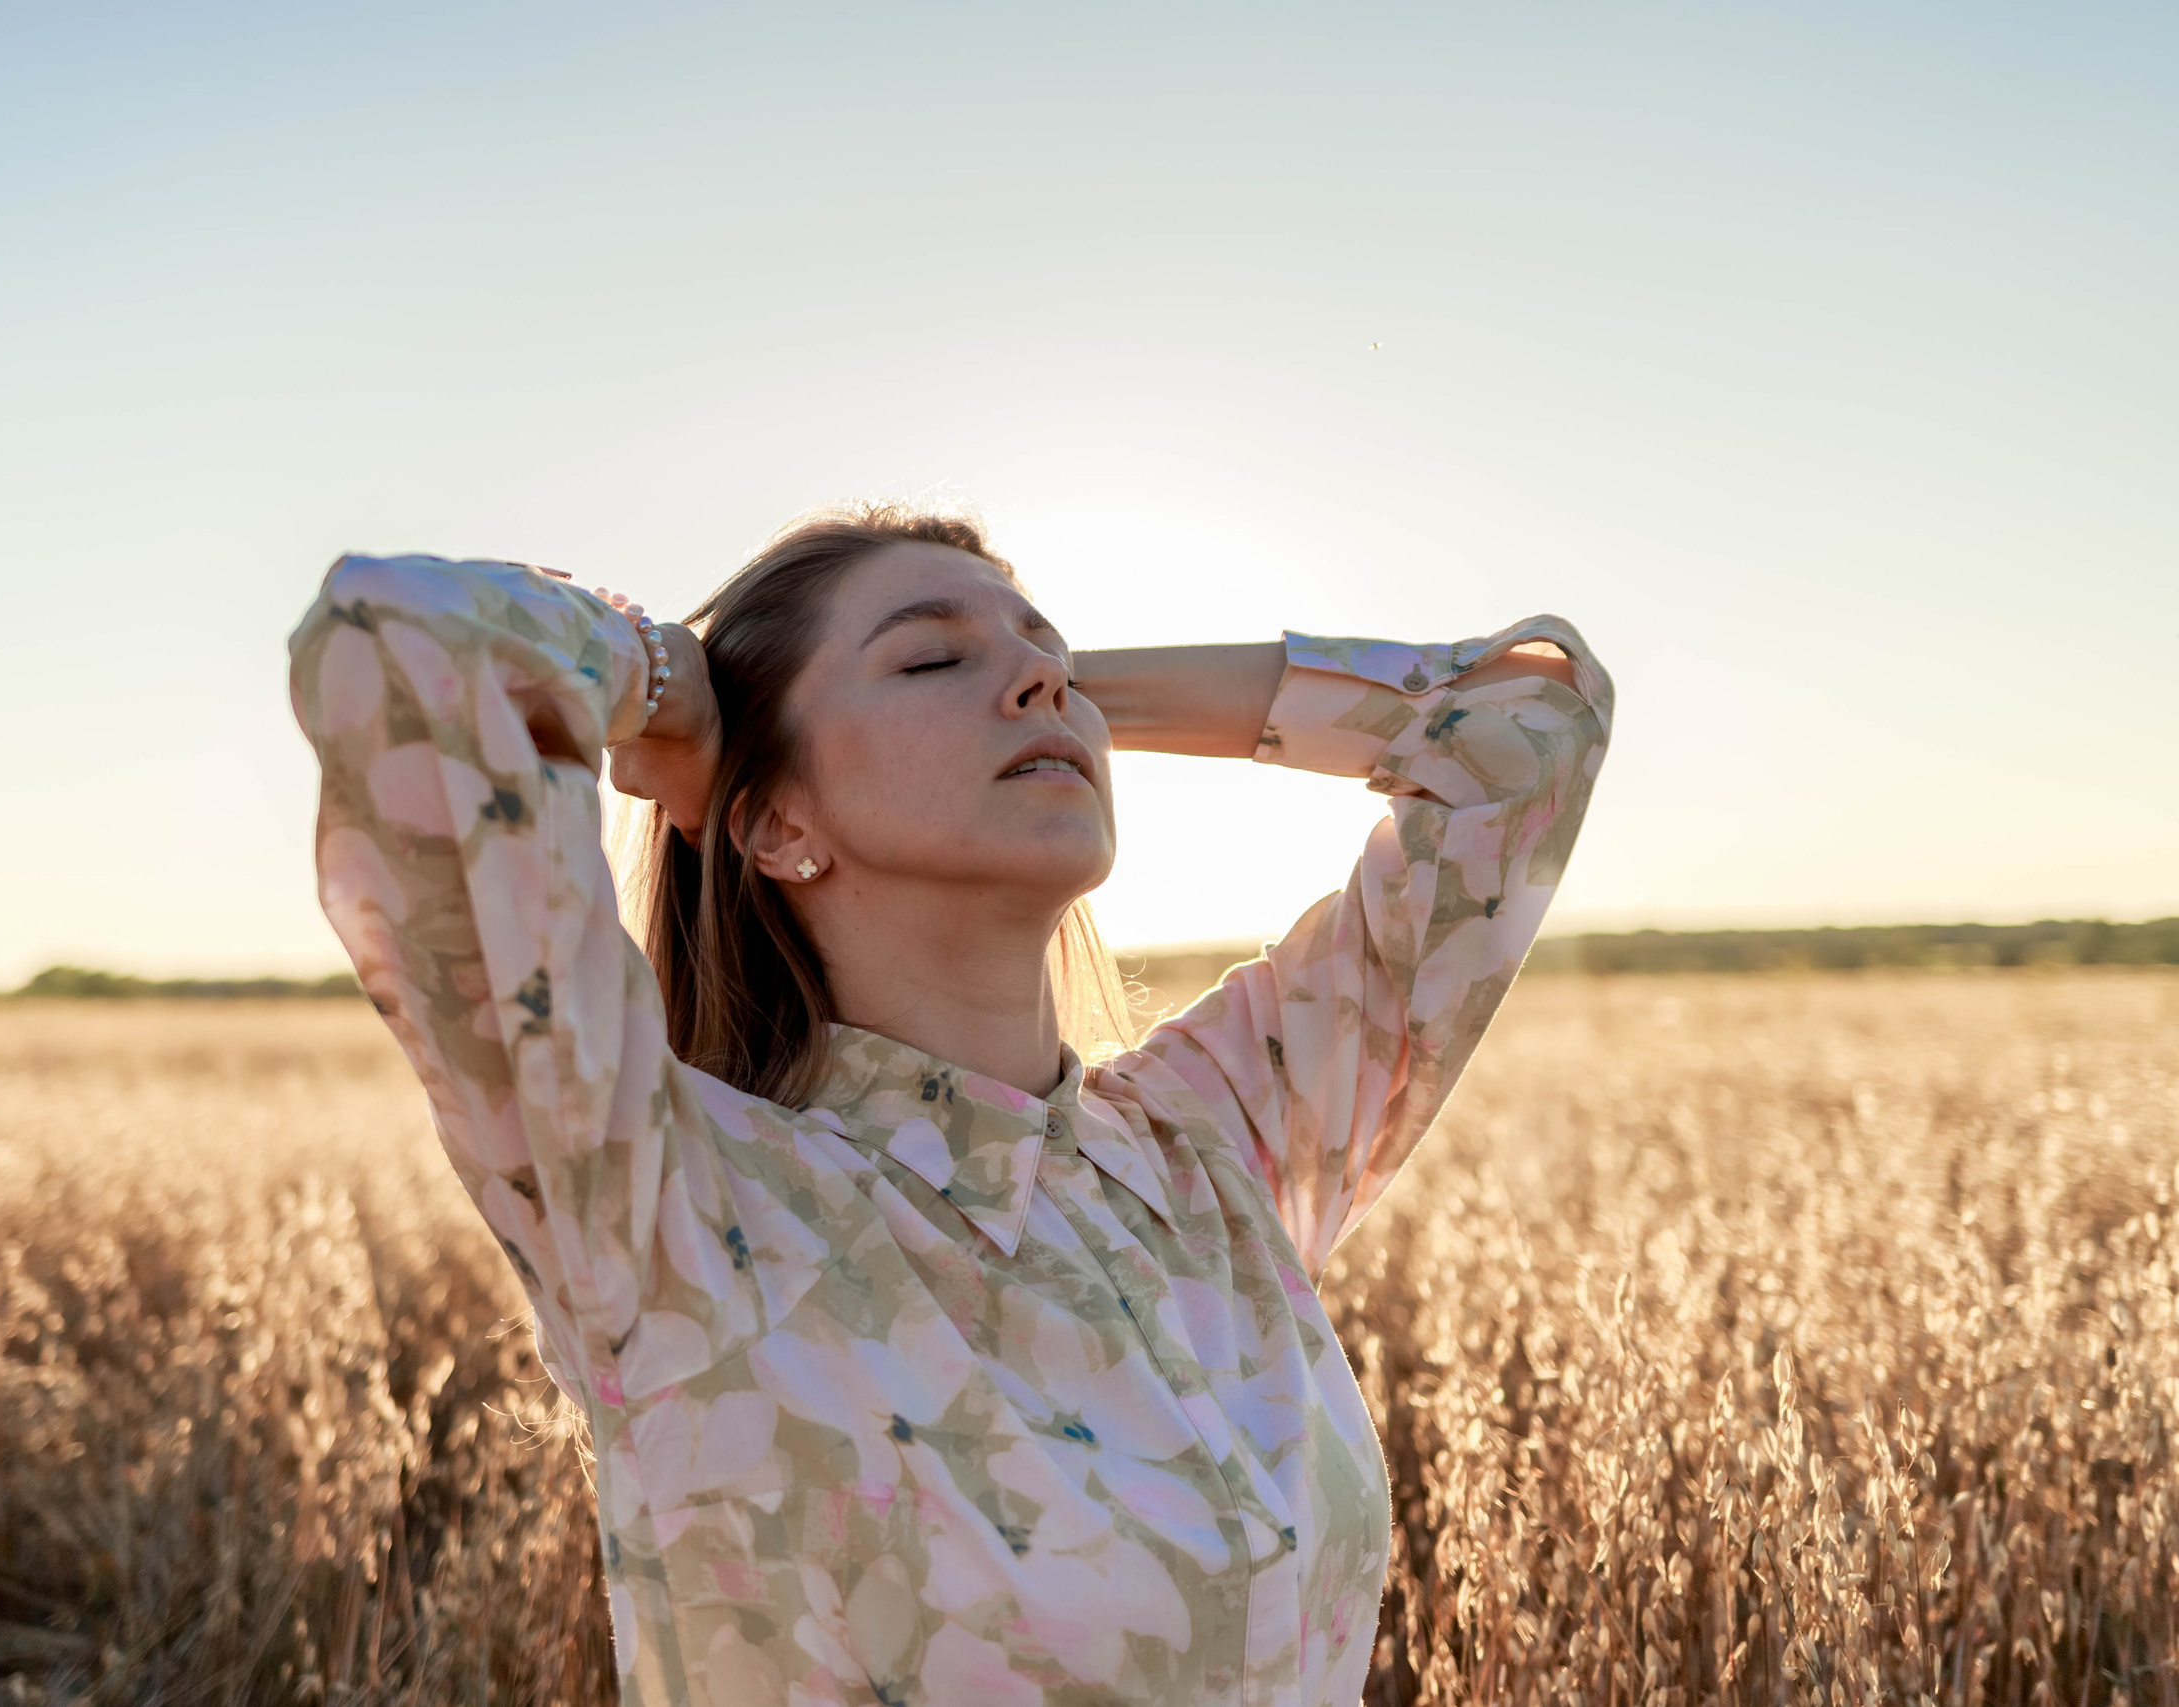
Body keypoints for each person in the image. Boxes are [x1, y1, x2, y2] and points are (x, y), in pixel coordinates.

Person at [288, 503, 1612, 1707]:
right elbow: (393, 643)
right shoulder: (678, 1214)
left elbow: (1524, 730)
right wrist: (674, 683)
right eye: (931, 661)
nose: (1036, 677)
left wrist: (1070, 697)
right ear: (772, 822)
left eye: (1050, 656)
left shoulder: (1216, 1145)